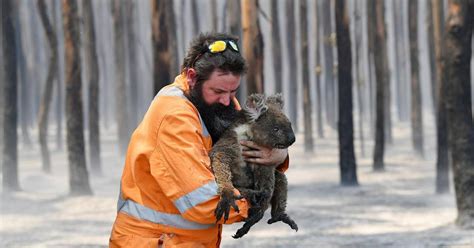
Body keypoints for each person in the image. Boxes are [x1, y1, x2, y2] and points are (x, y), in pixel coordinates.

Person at [109, 33, 290, 247]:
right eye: (218, 91)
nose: (227, 100)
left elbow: (251, 147)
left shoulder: (216, 104)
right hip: (155, 241)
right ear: (193, 77)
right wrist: (260, 199)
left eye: (233, 91)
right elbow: (203, 202)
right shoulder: (174, 116)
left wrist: (280, 155)